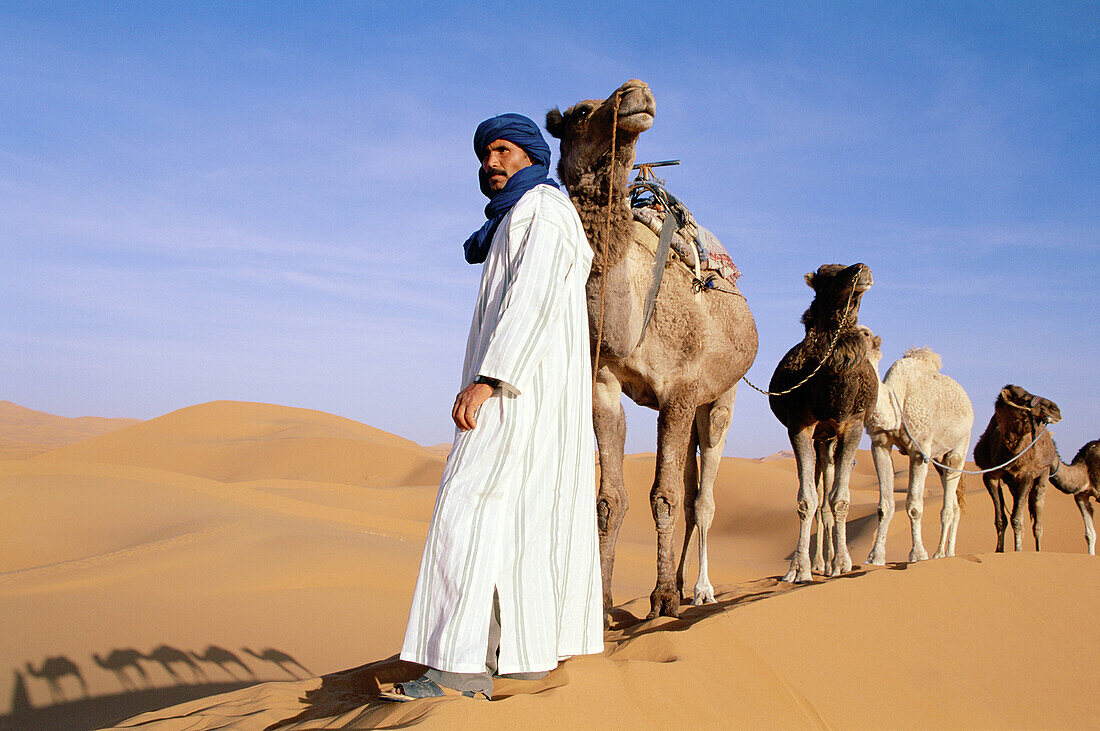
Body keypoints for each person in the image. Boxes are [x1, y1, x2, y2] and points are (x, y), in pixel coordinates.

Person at [388, 113, 602, 701]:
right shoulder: (524, 218)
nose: (491, 163)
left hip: (516, 396)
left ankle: (458, 667)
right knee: (520, 523)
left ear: (531, 154)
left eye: (503, 150)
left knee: (468, 511)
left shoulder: (543, 212)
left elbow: (530, 302)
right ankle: (524, 655)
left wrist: (488, 380)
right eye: (485, 155)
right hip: (532, 398)